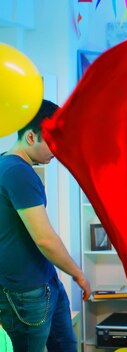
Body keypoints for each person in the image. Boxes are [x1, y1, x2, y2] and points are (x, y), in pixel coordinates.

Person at [0, 100, 91, 352]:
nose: (56, 150)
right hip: (26, 293)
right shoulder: (17, 171)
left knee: (65, 345)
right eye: (51, 142)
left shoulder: (11, 167)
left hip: (44, 280)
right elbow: (45, 239)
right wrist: (79, 274)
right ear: (31, 136)